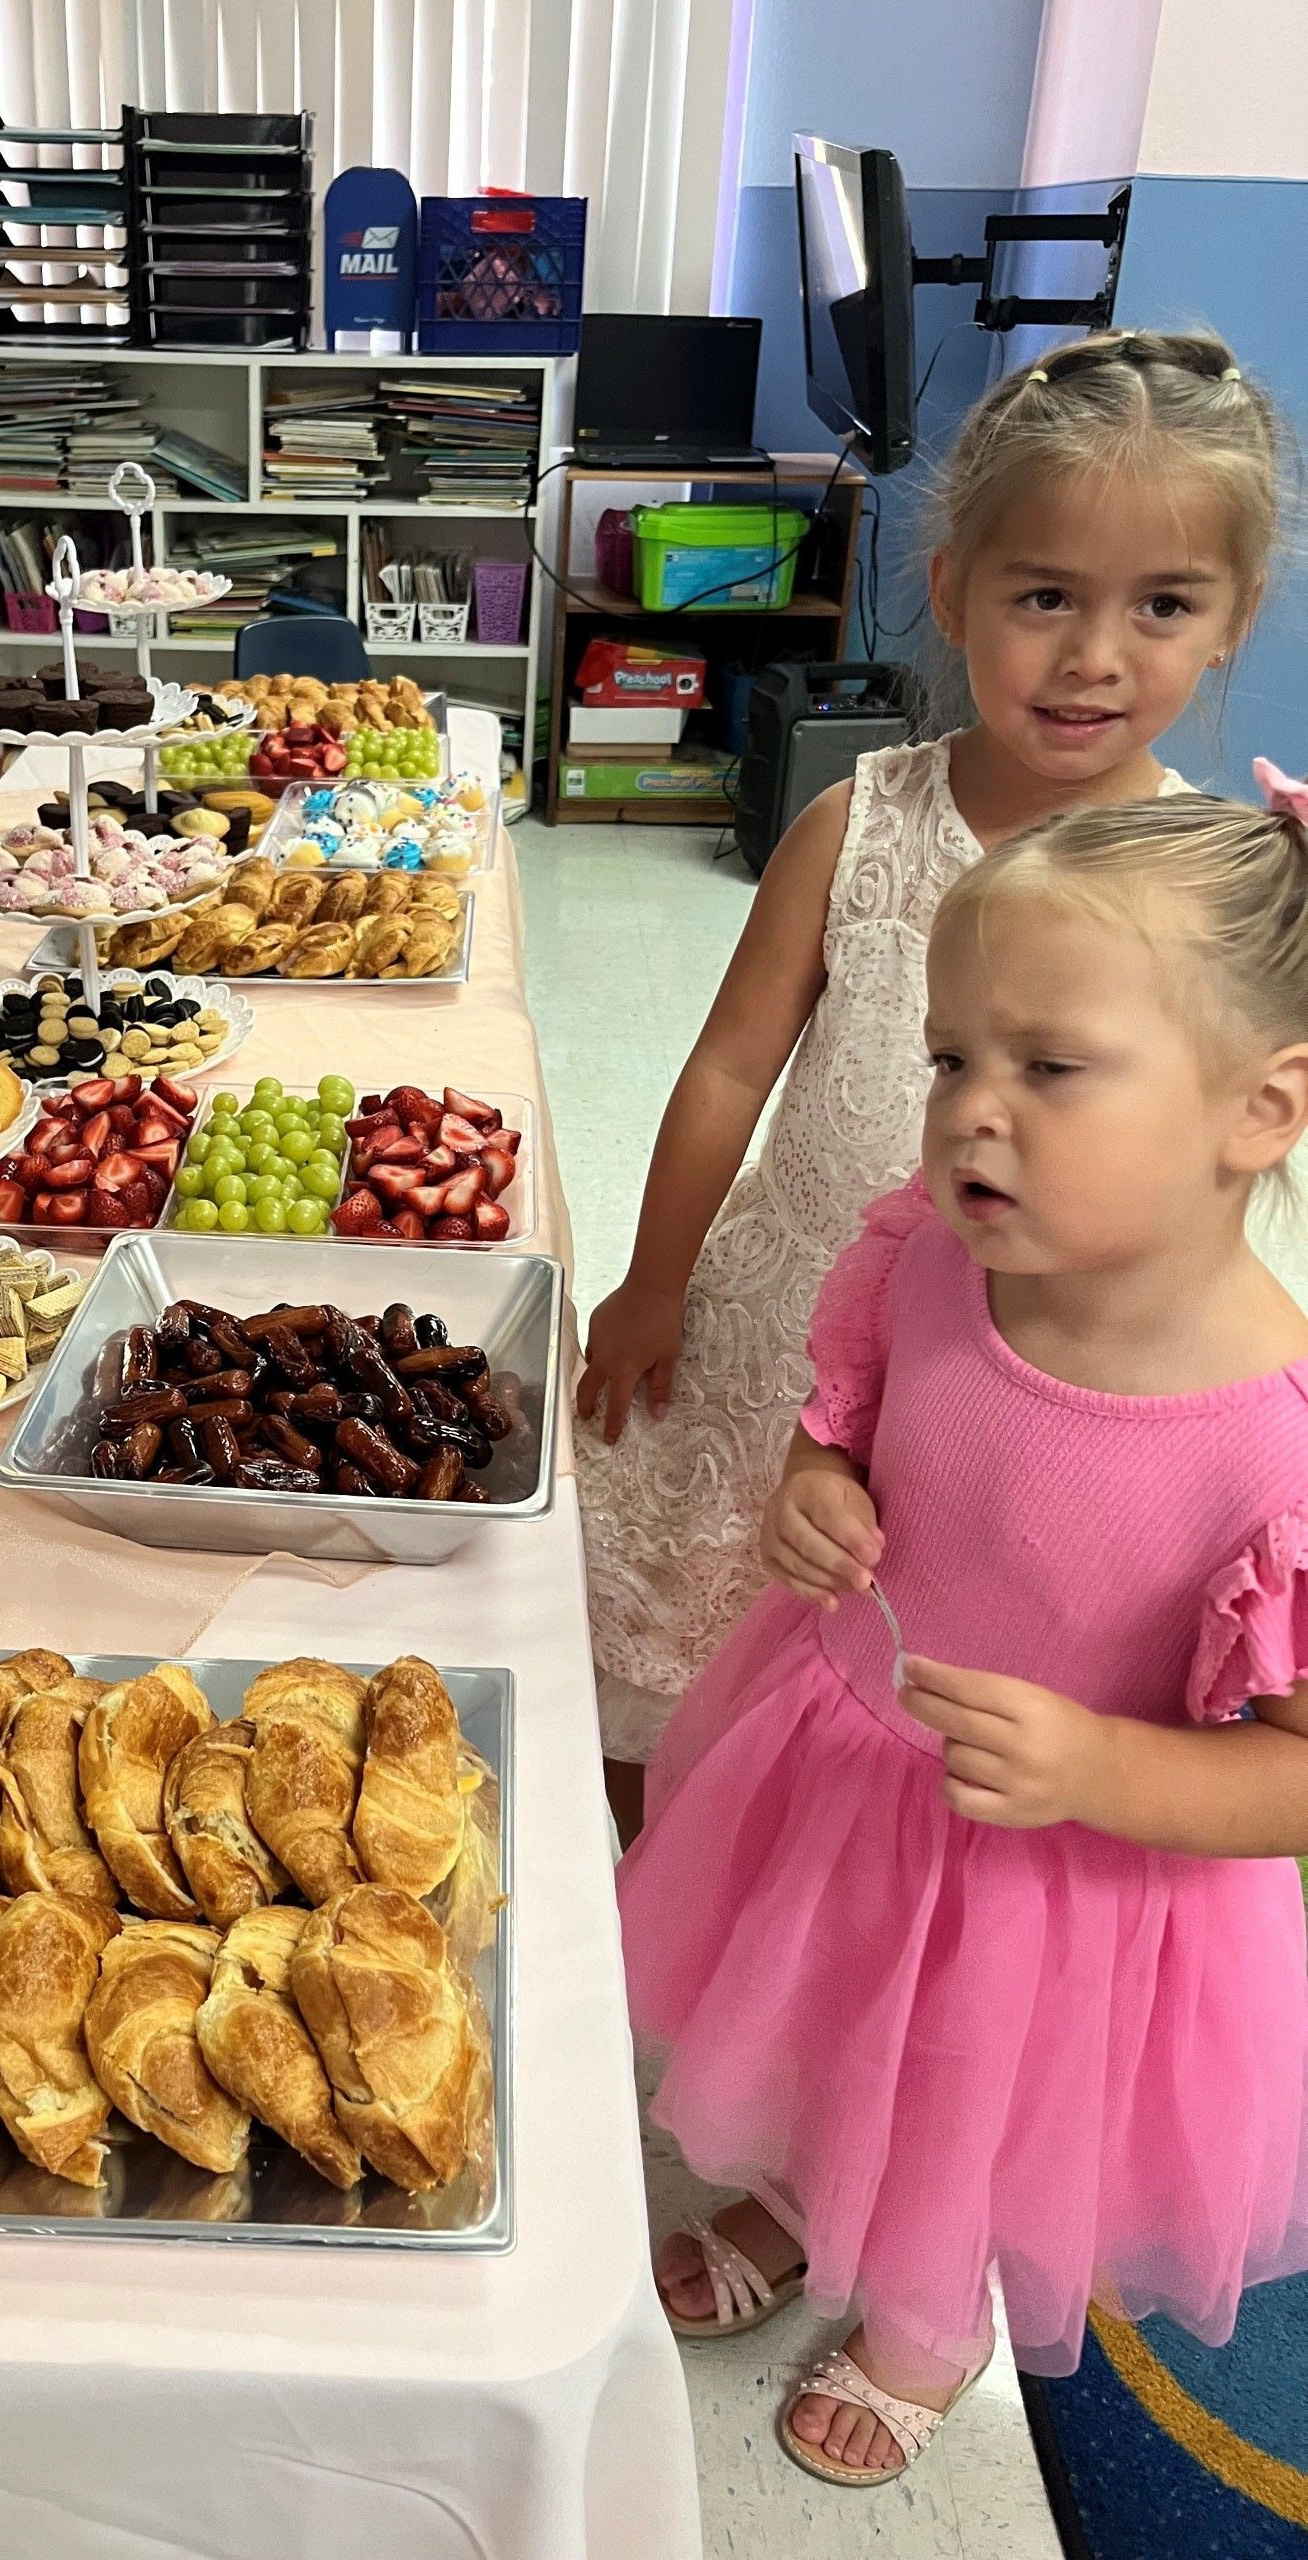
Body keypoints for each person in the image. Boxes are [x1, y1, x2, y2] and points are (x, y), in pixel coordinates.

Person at [623, 777, 1308, 2483]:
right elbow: (853, 1414)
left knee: (970, 2093)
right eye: (950, 1059)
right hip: (846, 1758)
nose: (968, 1117)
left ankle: (929, 2306)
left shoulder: (1273, 1444)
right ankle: (796, 2194)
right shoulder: (929, 1255)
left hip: (1063, 1866)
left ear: (1260, 1111)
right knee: (825, 2010)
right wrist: (814, 1484)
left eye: (1048, 1069)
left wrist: (1108, 1763)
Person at [576, 331, 1285, 1832]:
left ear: (1237, 617)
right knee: (667, 1631)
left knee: (871, 1692)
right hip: (775, 1331)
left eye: (1163, 605)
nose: (1095, 655)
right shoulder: (863, 818)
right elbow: (726, 1067)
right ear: (955, 590)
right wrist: (655, 1280)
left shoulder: (1207, 887)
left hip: (984, 1390)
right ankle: (637, 1882)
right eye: (1045, 597)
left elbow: (1225, 1151)